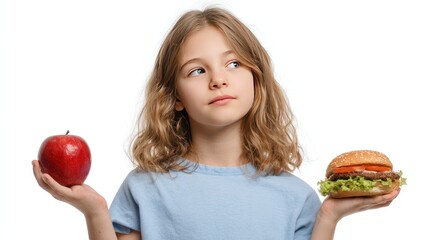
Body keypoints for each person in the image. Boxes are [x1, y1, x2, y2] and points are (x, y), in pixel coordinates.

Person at [32, 7, 400, 240]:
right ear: (174, 95)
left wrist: (329, 216)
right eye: (196, 70)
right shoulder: (144, 189)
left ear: (257, 79)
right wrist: (94, 209)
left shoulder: (296, 198)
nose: (218, 79)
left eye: (234, 64)